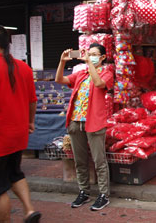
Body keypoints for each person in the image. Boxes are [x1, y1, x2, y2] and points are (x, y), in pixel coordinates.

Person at [55, 43, 114, 211]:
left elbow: (98, 83)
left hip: (94, 122)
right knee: (79, 160)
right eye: (89, 54)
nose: (90, 56)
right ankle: (84, 191)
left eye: (94, 54)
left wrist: (89, 63)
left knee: (99, 160)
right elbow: (60, 80)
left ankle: (103, 194)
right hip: (75, 121)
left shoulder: (107, 73)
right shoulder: (81, 74)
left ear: (102, 58)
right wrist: (62, 62)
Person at [0, 25, 41, 223]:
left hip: (1, 135)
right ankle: (29, 210)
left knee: (0, 189)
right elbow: (33, 100)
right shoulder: (23, 67)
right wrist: (30, 122)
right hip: (18, 133)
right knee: (15, 173)